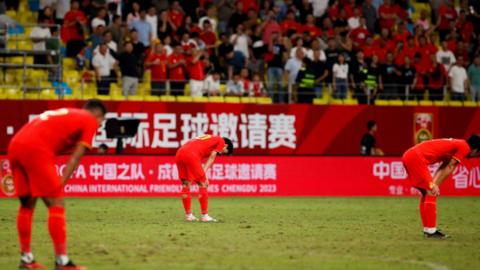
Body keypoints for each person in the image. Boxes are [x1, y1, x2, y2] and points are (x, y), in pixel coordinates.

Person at [8, 99, 106, 270]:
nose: (99, 125)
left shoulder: (69, 113)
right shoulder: (90, 120)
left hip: (15, 145)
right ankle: (62, 262)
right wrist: (60, 184)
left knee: (27, 204)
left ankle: (26, 258)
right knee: (56, 204)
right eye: (101, 121)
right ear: (98, 115)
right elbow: (75, 157)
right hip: (36, 149)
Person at [402, 135, 480, 238]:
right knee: (431, 191)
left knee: (427, 192)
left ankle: (428, 229)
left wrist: (434, 183)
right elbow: (450, 166)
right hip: (416, 157)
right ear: (475, 149)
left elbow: (444, 166)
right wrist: (434, 185)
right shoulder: (465, 147)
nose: (477, 156)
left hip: (410, 155)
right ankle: (431, 231)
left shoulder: (458, 144)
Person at [175, 135, 233, 222]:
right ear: (226, 145)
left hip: (180, 152)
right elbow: (212, 157)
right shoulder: (220, 141)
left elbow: (197, 152)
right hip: (191, 154)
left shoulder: (210, 138)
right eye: (224, 151)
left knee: (185, 184)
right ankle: (204, 216)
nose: (220, 153)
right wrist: (203, 175)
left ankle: (188, 215)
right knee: (203, 183)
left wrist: (201, 172)